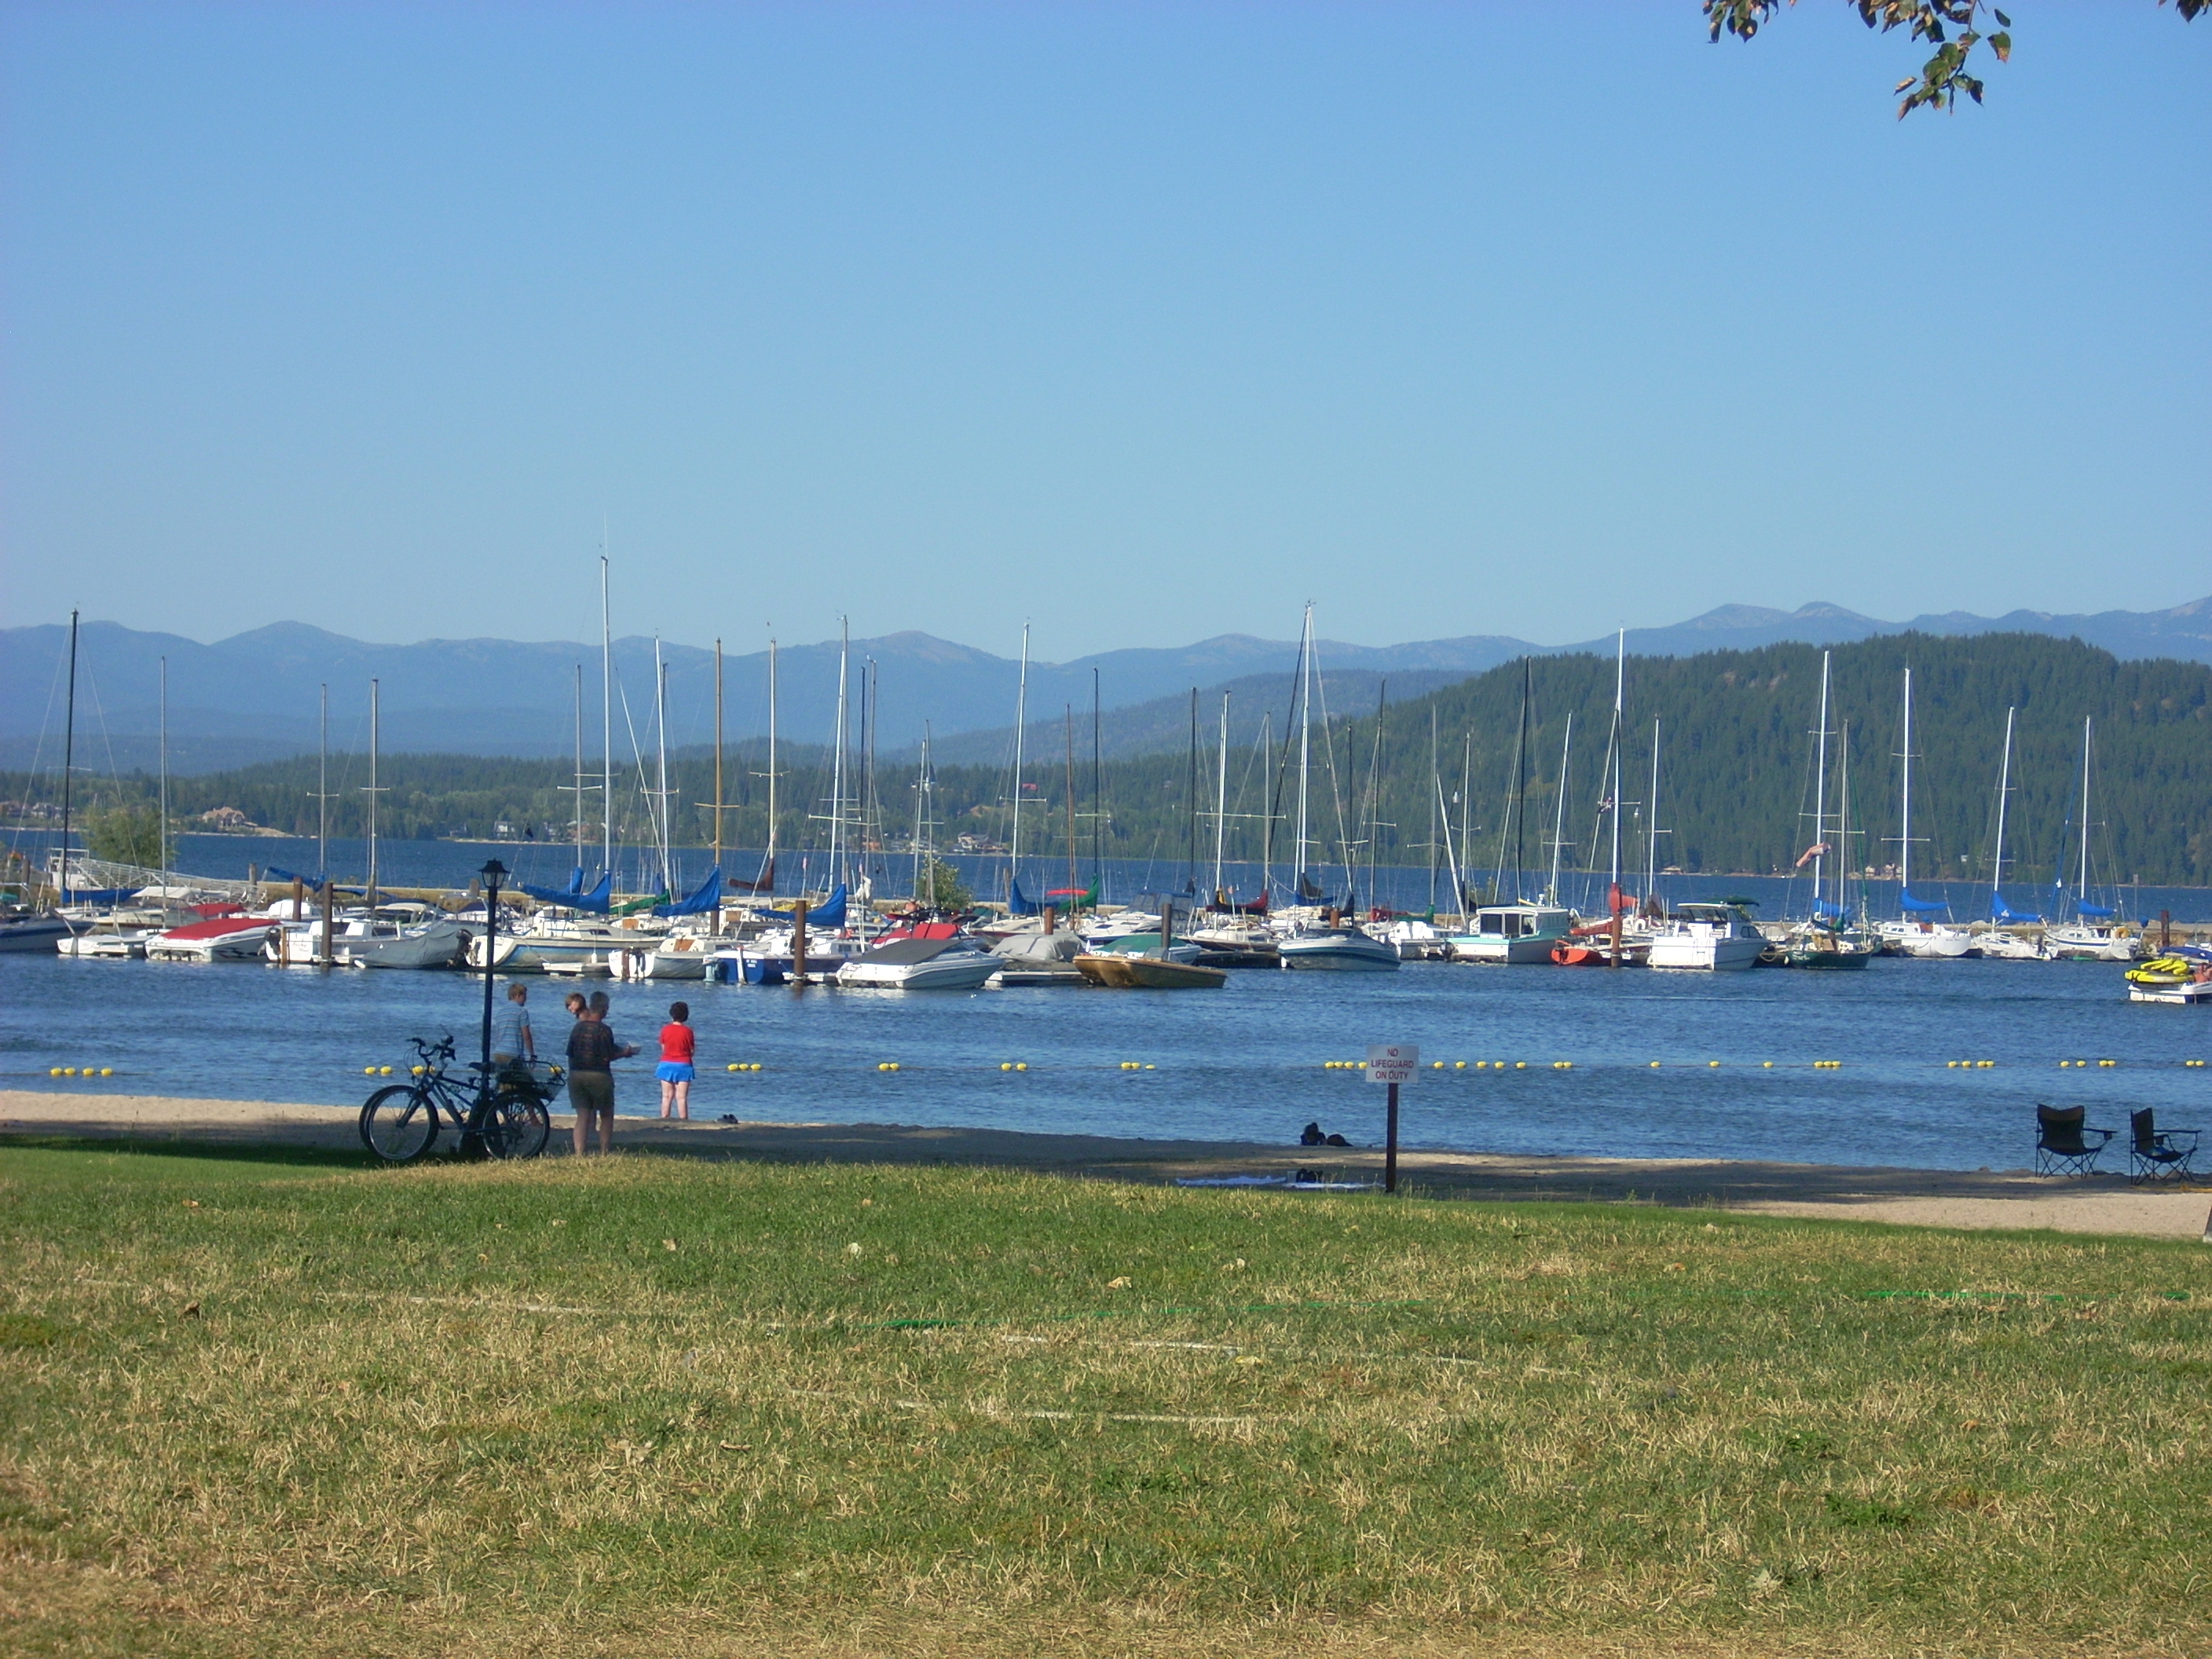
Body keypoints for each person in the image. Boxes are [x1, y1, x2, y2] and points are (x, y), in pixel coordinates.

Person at [566, 990, 638, 1156]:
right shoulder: (604, 1030)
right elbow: (608, 1056)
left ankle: (579, 1153)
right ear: (604, 1009)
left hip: (577, 1074)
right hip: (599, 1075)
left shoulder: (577, 1028)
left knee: (582, 1116)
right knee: (606, 1114)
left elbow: (570, 1053)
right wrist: (625, 1053)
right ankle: (604, 1151)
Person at [657, 1002, 696, 1120]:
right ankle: (683, 1120)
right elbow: (692, 1050)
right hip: (683, 1064)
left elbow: (663, 1048)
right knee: (682, 1097)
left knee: (666, 1096)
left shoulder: (665, 1029)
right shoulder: (688, 1031)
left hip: (666, 1063)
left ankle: (664, 1118)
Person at [489, 982, 534, 1072]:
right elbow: (526, 1035)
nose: (526, 999)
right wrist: (532, 1054)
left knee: (502, 1082)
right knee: (522, 1081)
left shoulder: (501, 1012)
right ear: (518, 996)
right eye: (524, 996)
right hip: (513, 1054)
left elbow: (498, 1034)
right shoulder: (521, 1011)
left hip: (498, 1052)